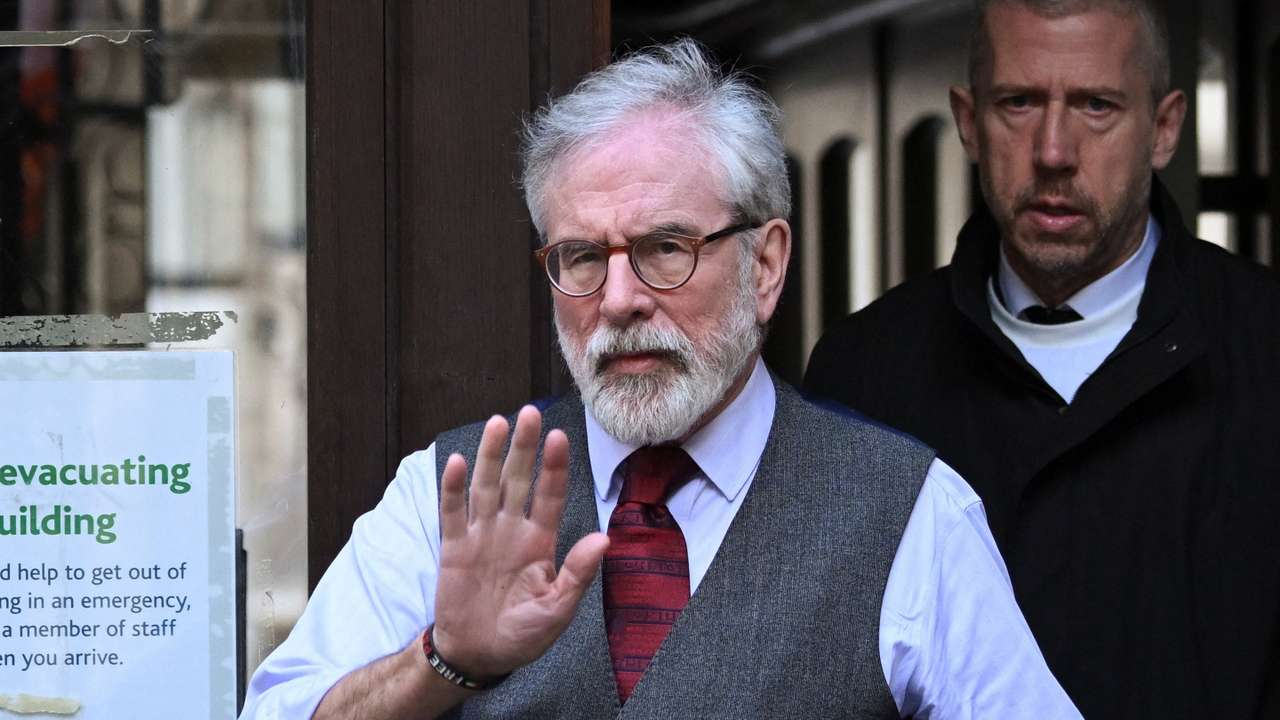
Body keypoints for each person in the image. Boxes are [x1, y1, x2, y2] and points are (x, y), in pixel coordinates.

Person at [242, 39, 1079, 719]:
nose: (619, 300)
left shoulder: (910, 515)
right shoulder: (447, 497)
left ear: (768, 264)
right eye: (580, 257)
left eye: (665, 249)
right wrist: (442, 661)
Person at [805, 1, 1280, 718]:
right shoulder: (864, 373)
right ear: (968, 121)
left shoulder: (1269, 349)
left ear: (1165, 127)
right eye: (1019, 102)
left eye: (1096, 105)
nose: (1053, 151)